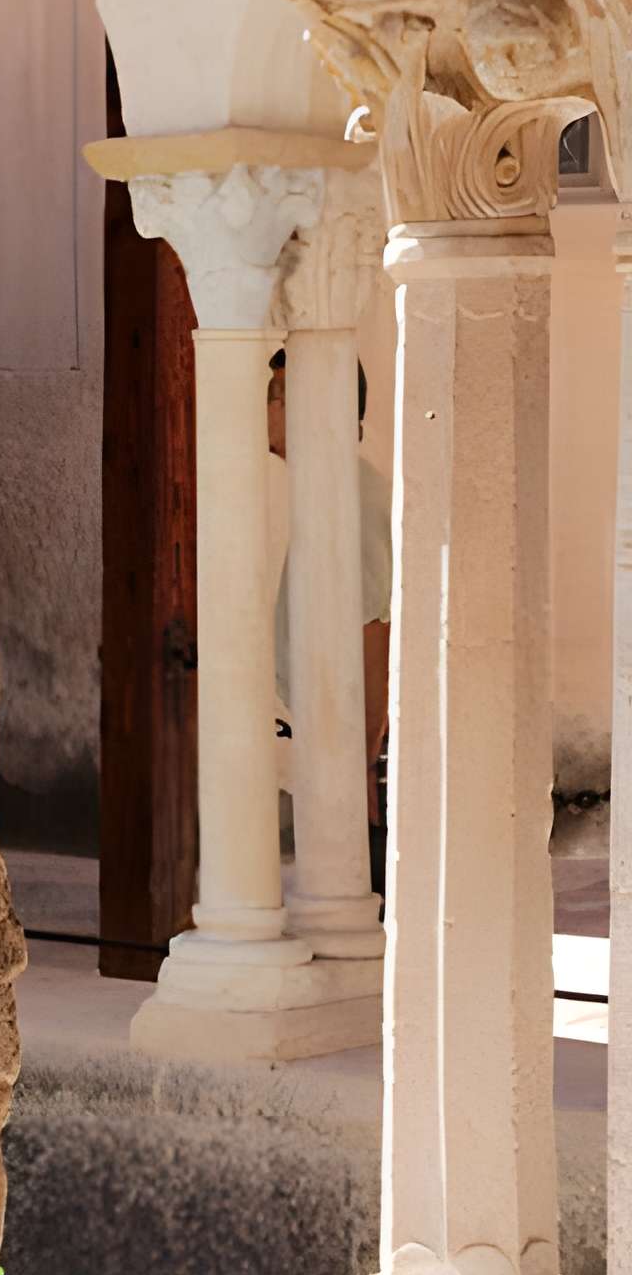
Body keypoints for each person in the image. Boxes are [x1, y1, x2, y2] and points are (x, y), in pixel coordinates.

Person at [268, 348, 393, 895]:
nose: (264, 410)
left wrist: (359, 764)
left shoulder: (352, 493)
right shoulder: (323, 491)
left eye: (276, 397)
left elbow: (374, 629)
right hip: (327, 742)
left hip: (348, 754)